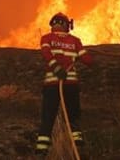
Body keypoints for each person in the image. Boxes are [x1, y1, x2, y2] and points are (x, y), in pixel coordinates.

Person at [35, 12, 93, 155]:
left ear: (53, 24)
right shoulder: (75, 40)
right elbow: (87, 61)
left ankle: (41, 150)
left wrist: (56, 68)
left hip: (52, 86)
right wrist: (87, 56)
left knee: (48, 117)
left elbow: (46, 54)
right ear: (66, 25)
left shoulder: (46, 38)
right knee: (73, 115)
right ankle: (78, 145)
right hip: (71, 85)